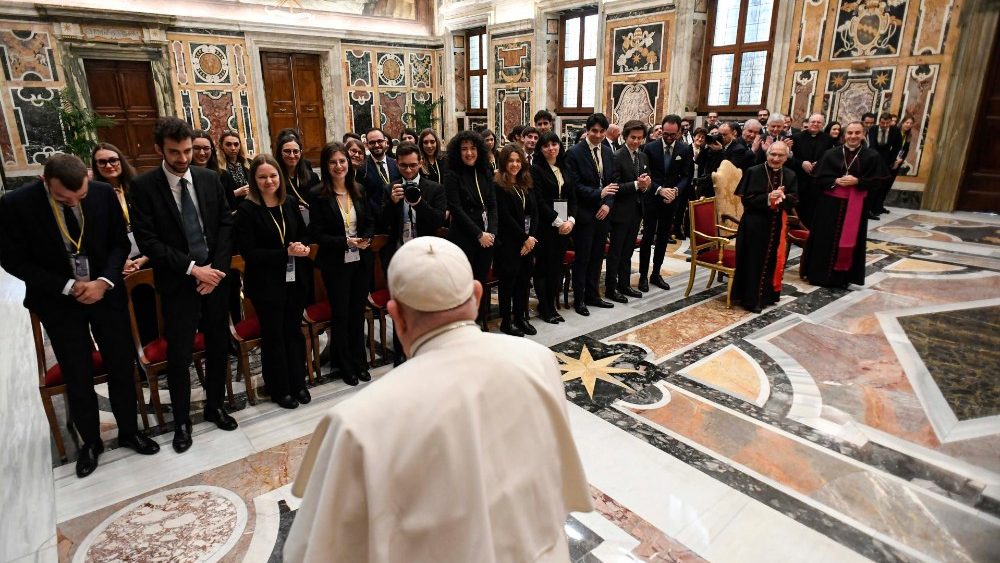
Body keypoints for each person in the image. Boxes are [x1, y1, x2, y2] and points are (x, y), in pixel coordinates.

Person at [283, 237, 592, 562]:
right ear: (477, 295)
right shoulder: (538, 359)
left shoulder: (356, 422)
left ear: (396, 315)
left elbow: (312, 551)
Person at [0, 153, 159, 477]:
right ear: (45, 182)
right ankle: (90, 443)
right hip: (59, 302)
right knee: (77, 372)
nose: (73, 203)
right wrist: (69, 286)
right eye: (63, 199)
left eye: (80, 196)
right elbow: (13, 260)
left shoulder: (102, 193)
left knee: (121, 364)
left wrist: (103, 281)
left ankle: (129, 431)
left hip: (105, 295)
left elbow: (119, 244)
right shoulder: (16, 204)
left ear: (87, 179)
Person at [131, 117, 238, 452]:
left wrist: (216, 271)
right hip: (178, 284)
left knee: (219, 346)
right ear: (159, 149)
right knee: (179, 354)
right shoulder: (144, 187)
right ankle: (181, 422)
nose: (183, 158)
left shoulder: (209, 179)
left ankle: (215, 406)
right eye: (175, 152)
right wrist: (194, 270)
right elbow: (149, 241)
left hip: (215, 280)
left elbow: (224, 226)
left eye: (188, 150)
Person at [234, 154, 311, 409]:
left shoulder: (289, 202)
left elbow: (303, 234)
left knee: (293, 332)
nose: (269, 181)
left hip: (294, 279)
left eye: (273, 175)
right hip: (266, 285)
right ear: (254, 180)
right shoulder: (247, 211)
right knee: (274, 336)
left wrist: (302, 246)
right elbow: (249, 253)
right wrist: (285, 253)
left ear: (280, 176)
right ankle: (280, 389)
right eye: (262, 177)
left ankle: (298, 383)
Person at [309, 143, 374, 386]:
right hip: (335, 263)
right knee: (341, 314)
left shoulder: (359, 189)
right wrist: (344, 242)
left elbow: (370, 221)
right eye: (333, 162)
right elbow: (318, 233)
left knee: (357, 312)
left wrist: (366, 238)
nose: (339, 166)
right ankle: (345, 365)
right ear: (326, 166)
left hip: (360, 260)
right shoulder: (318, 194)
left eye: (342, 161)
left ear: (349, 163)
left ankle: (360, 361)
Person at [382, 142, 448, 364]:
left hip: (426, 256)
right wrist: (392, 203)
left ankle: (427, 348)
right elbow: (382, 223)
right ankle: (401, 352)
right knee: (401, 306)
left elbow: (438, 221)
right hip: (399, 254)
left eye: (412, 165)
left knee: (427, 304)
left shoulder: (434, 188)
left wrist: (418, 202)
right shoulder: (390, 188)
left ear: (420, 163)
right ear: (397, 164)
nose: (408, 170)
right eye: (403, 166)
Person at [802, 122, 888, 288]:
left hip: (856, 205)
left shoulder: (872, 156)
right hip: (829, 205)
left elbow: (879, 183)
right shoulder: (830, 154)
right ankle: (818, 275)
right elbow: (817, 179)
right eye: (849, 133)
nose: (853, 136)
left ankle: (841, 278)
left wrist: (858, 181)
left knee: (850, 241)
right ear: (844, 135)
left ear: (863, 134)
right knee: (823, 240)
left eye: (857, 133)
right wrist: (834, 180)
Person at [731, 141, 799, 313]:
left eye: (780, 155)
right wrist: (768, 198)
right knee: (752, 261)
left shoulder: (790, 174)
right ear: (767, 154)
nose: (776, 158)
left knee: (771, 260)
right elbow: (747, 200)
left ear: (786, 157)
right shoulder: (753, 171)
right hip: (754, 224)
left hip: (776, 224)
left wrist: (782, 197)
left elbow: (794, 199)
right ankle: (750, 299)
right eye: (772, 154)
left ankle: (768, 296)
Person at [565, 112, 618, 315]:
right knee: (583, 258)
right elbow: (574, 186)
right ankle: (579, 300)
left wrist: (608, 204)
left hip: (603, 214)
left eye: (602, 131)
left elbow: (613, 182)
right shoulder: (574, 153)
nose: (598, 135)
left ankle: (593, 295)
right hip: (585, 215)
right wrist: (599, 194)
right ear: (587, 130)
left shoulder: (608, 152)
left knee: (597, 257)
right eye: (594, 131)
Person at [444, 130, 497, 325]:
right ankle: (465, 323)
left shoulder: (485, 170)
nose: (469, 153)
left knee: (480, 281)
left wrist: (491, 233)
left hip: (486, 237)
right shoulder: (452, 174)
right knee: (464, 284)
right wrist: (479, 234)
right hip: (464, 237)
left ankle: (480, 321)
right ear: (457, 152)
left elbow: (492, 205)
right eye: (464, 149)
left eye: (473, 148)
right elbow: (456, 209)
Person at [641, 114, 693, 291]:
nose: (669, 138)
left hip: (671, 200)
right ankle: (643, 275)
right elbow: (646, 175)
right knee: (648, 238)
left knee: (663, 238)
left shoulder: (684, 149)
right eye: (665, 134)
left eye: (673, 134)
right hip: (652, 198)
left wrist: (676, 191)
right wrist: (659, 189)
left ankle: (656, 273)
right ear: (661, 131)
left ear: (679, 132)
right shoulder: (650, 148)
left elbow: (686, 175)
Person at [493, 143, 538, 337]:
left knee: (523, 282)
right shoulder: (498, 185)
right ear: (504, 162)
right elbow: (505, 216)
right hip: (509, 243)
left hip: (527, 243)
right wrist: (524, 238)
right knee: (507, 283)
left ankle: (521, 317)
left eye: (518, 160)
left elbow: (535, 212)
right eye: (510, 161)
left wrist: (531, 238)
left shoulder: (526, 182)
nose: (514, 164)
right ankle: (506, 321)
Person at [530, 131, 576, 325]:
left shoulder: (565, 167)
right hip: (545, 227)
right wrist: (559, 221)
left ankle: (551, 305)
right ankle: (545, 306)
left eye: (554, 144)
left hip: (564, 226)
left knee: (556, 268)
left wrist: (571, 220)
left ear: (559, 145)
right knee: (543, 268)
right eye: (546, 145)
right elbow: (539, 201)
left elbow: (572, 197)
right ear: (540, 149)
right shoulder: (536, 170)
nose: (551, 148)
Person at [605, 120, 650, 302]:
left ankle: (624, 284)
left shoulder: (643, 156)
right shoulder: (617, 156)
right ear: (625, 137)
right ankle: (611, 288)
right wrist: (636, 184)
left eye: (640, 138)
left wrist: (645, 186)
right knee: (616, 252)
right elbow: (614, 186)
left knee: (628, 251)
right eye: (633, 137)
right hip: (620, 211)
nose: (636, 141)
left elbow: (645, 182)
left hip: (636, 211)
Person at [91, 143, 147, 275]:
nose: (109, 166)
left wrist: (145, 257)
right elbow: (97, 234)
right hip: (115, 261)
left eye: (113, 160)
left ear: (121, 161)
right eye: (102, 162)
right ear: (96, 166)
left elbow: (154, 223)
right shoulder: (92, 195)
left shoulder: (138, 188)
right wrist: (121, 260)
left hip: (147, 254)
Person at [792, 114, 834, 227]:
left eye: (819, 122)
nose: (815, 124)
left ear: (823, 124)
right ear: (808, 123)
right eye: (813, 122)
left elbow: (830, 158)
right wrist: (801, 163)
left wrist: (820, 164)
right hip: (799, 180)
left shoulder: (828, 139)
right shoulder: (796, 137)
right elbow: (790, 158)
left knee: (814, 209)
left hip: (817, 182)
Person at [361, 128, 401, 239]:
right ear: (367, 145)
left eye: (379, 141)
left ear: (386, 142)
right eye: (372, 142)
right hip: (376, 225)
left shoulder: (396, 164)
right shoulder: (362, 169)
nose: (376, 145)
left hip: (397, 222)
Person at [696, 121, 749, 196]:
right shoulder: (715, 146)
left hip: (725, 191)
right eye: (720, 134)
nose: (721, 137)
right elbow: (699, 162)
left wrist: (720, 151)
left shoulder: (739, 149)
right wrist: (706, 146)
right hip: (708, 188)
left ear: (733, 133)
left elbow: (730, 169)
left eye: (724, 135)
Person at [866, 112, 903, 218]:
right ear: (879, 121)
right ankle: (869, 209)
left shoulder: (895, 131)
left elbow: (897, 146)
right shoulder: (873, 129)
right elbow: (872, 146)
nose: (885, 125)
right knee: (873, 186)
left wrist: (892, 160)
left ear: (890, 122)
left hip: (887, 161)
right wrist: (874, 160)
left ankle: (877, 208)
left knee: (882, 186)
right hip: (874, 161)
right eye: (883, 123)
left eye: (887, 123)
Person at [275, 134, 320, 216]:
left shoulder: (313, 177)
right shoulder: (275, 179)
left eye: (295, 151)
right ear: (280, 153)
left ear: (301, 153)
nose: (292, 156)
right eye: (287, 151)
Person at [218, 130, 251, 208]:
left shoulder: (249, 163)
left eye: (236, 144)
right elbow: (215, 197)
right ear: (221, 146)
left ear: (240, 146)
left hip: (250, 208)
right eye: (228, 144)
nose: (233, 148)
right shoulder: (217, 167)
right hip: (231, 209)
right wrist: (235, 193)